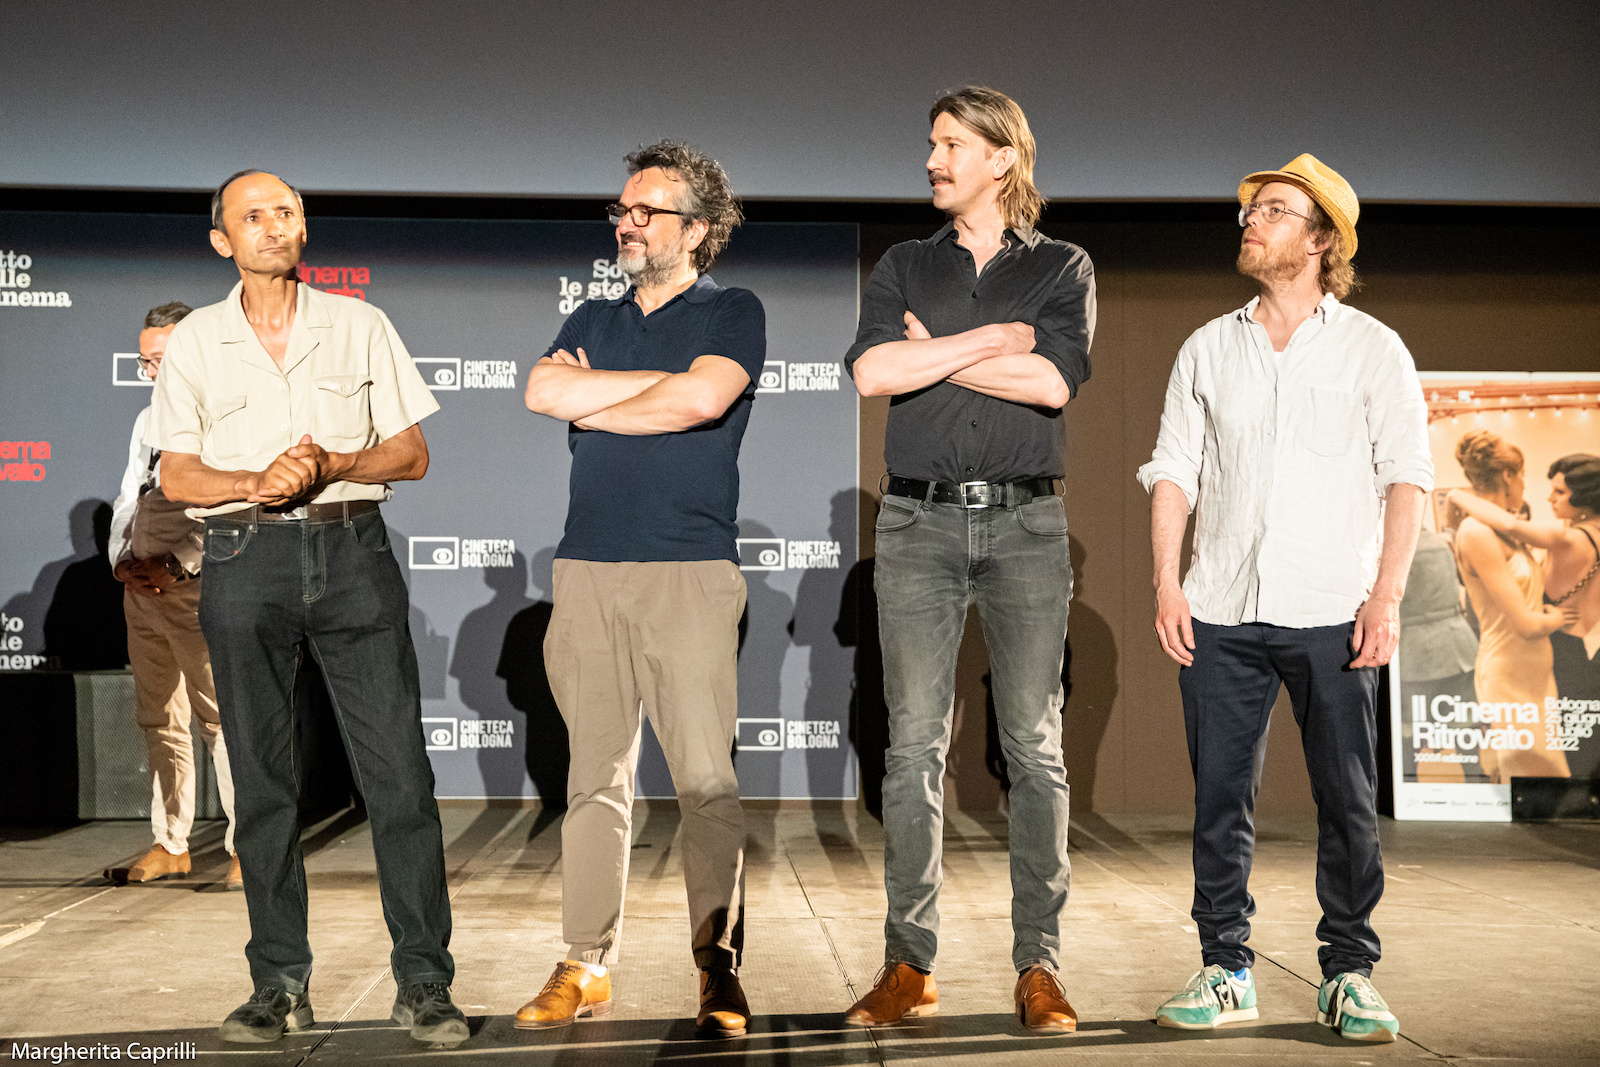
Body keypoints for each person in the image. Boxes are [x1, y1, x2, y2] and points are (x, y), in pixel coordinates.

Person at [146, 169, 467, 1046]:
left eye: (285, 211)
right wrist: (258, 479)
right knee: (263, 784)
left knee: (400, 778)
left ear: (303, 228)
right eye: (253, 216)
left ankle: (424, 981)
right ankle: (278, 982)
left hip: (351, 550)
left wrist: (331, 463)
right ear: (223, 240)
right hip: (242, 555)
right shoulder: (197, 341)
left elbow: (411, 452)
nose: (273, 225)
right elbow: (179, 474)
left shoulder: (361, 325)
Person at [1138, 154, 1432, 1043]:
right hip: (1221, 605)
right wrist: (1167, 579)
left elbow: (1406, 478)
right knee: (1220, 799)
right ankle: (1226, 966)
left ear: (1321, 239)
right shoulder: (1207, 346)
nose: (1251, 222)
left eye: (1272, 210)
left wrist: (1386, 594)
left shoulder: (1372, 348)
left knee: (1347, 799)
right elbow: (1175, 470)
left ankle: (1349, 972)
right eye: (1250, 210)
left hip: (1334, 607)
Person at [842, 86, 1092, 1035]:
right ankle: (909, 963)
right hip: (920, 523)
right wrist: (991, 339)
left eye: (951, 144)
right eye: (931, 143)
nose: (933, 160)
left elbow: (1053, 382)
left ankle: (1040, 965)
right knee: (913, 746)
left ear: (1001, 157)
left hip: (1027, 525)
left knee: (1033, 745)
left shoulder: (1062, 265)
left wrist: (937, 351)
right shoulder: (905, 262)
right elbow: (873, 372)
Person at [517, 141, 764, 1037]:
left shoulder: (732, 309)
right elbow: (542, 392)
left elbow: (702, 402)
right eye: (621, 209)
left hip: (688, 570)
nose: (625, 222)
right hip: (587, 569)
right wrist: (648, 388)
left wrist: (597, 397)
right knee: (594, 780)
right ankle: (586, 961)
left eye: (645, 210)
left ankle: (717, 966)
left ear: (694, 229)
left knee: (705, 782)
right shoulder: (592, 312)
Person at [106, 301, 239, 890]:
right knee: (159, 718)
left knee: (223, 721)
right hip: (142, 591)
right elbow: (129, 497)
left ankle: (249, 847)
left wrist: (177, 564)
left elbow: (232, 506)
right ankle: (171, 843)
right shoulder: (146, 419)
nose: (151, 372)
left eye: (159, 359)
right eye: (145, 362)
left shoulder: (225, 413)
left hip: (199, 588)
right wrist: (123, 562)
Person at [1446, 432, 1570, 779]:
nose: (1525, 484)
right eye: (1522, 474)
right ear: (1507, 475)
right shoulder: (1476, 532)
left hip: (1536, 674)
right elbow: (1526, 624)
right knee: (1530, 780)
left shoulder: (1509, 529)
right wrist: (1558, 617)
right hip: (1509, 674)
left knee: (1541, 781)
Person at [1448, 453, 1600, 706]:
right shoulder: (1591, 535)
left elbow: (1510, 526)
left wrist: (1457, 496)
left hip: (1559, 652)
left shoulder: (1568, 538)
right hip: (1579, 649)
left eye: (1560, 492)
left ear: (1584, 496)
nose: (1550, 498)